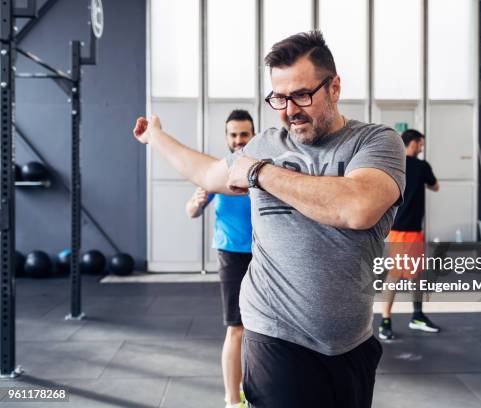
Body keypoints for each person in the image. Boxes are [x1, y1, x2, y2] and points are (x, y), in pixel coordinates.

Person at [133, 31, 405, 408]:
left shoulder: (374, 142)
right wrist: (157, 138)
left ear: (335, 87)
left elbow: (356, 208)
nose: (290, 109)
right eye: (279, 98)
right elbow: (209, 172)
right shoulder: (265, 144)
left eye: (301, 95)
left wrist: (259, 173)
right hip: (275, 336)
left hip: (351, 344)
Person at [185, 109, 255, 408]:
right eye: (234, 134)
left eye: (244, 134)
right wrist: (198, 202)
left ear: (253, 135)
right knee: (237, 328)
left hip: (266, 254)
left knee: (265, 329)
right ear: (227, 137)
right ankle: (232, 400)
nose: (239, 140)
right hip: (232, 254)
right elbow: (191, 210)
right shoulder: (218, 170)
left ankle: (256, 393)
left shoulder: (263, 169)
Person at [378, 129, 440, 340]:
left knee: (414, 276)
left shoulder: (392, 164)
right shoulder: (422, 166)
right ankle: (386, 320)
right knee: (396, 276)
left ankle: (416, 316)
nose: (421, 147)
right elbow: (436, 187)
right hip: (407, 231)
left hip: (401, 229)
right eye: (420, 144)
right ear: (412, 143)